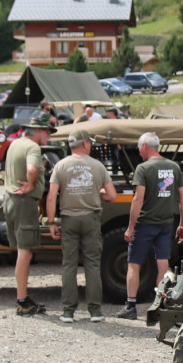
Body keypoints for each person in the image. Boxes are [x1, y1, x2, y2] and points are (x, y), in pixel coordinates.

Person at [46, 129, 116, 322]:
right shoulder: (98, 166)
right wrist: (96, 193)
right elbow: (112, 195)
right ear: (85, 144)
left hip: (69, 218)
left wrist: (51, 222)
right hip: (91, 219)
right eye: (90, 143)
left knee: (68, 264)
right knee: (92, 264)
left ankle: (68, 311)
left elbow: (52, 196)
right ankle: (95, 311)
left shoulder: (61, 166)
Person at [118, 132, 183, 319]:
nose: (139, 151)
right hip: (166, 223)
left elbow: (138, 198)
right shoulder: (174, 167)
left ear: (145, 146)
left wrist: (130, 227)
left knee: (134, 264)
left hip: (145, 224)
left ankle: (131, 306)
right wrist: (182, 224)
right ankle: (160, 305)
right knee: (162, 264)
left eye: (139, 147)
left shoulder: (143, 168)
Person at [3, 113, 53, 316]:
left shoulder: (16, 143)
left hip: (10, 199)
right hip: (24, 203)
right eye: (47, 133)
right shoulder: (33, 147)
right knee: (25, 252)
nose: (48, 137)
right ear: (39, 132)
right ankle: (22, 300)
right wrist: (32, 184)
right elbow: (32, 168)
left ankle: (22, 296)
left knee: (21, 251)